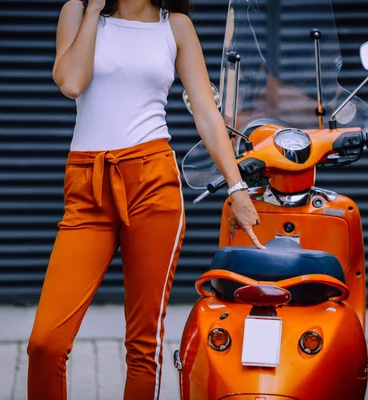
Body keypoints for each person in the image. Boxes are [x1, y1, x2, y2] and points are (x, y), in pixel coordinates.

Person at [26, 0, 264, 398]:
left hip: (153, 181)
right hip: (89, 184)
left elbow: (206, 112)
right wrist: (92, 11)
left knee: (143, 346)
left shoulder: (176, 27)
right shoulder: (78, 12)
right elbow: (70, 82)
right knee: (45, 343)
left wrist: (237, 187)